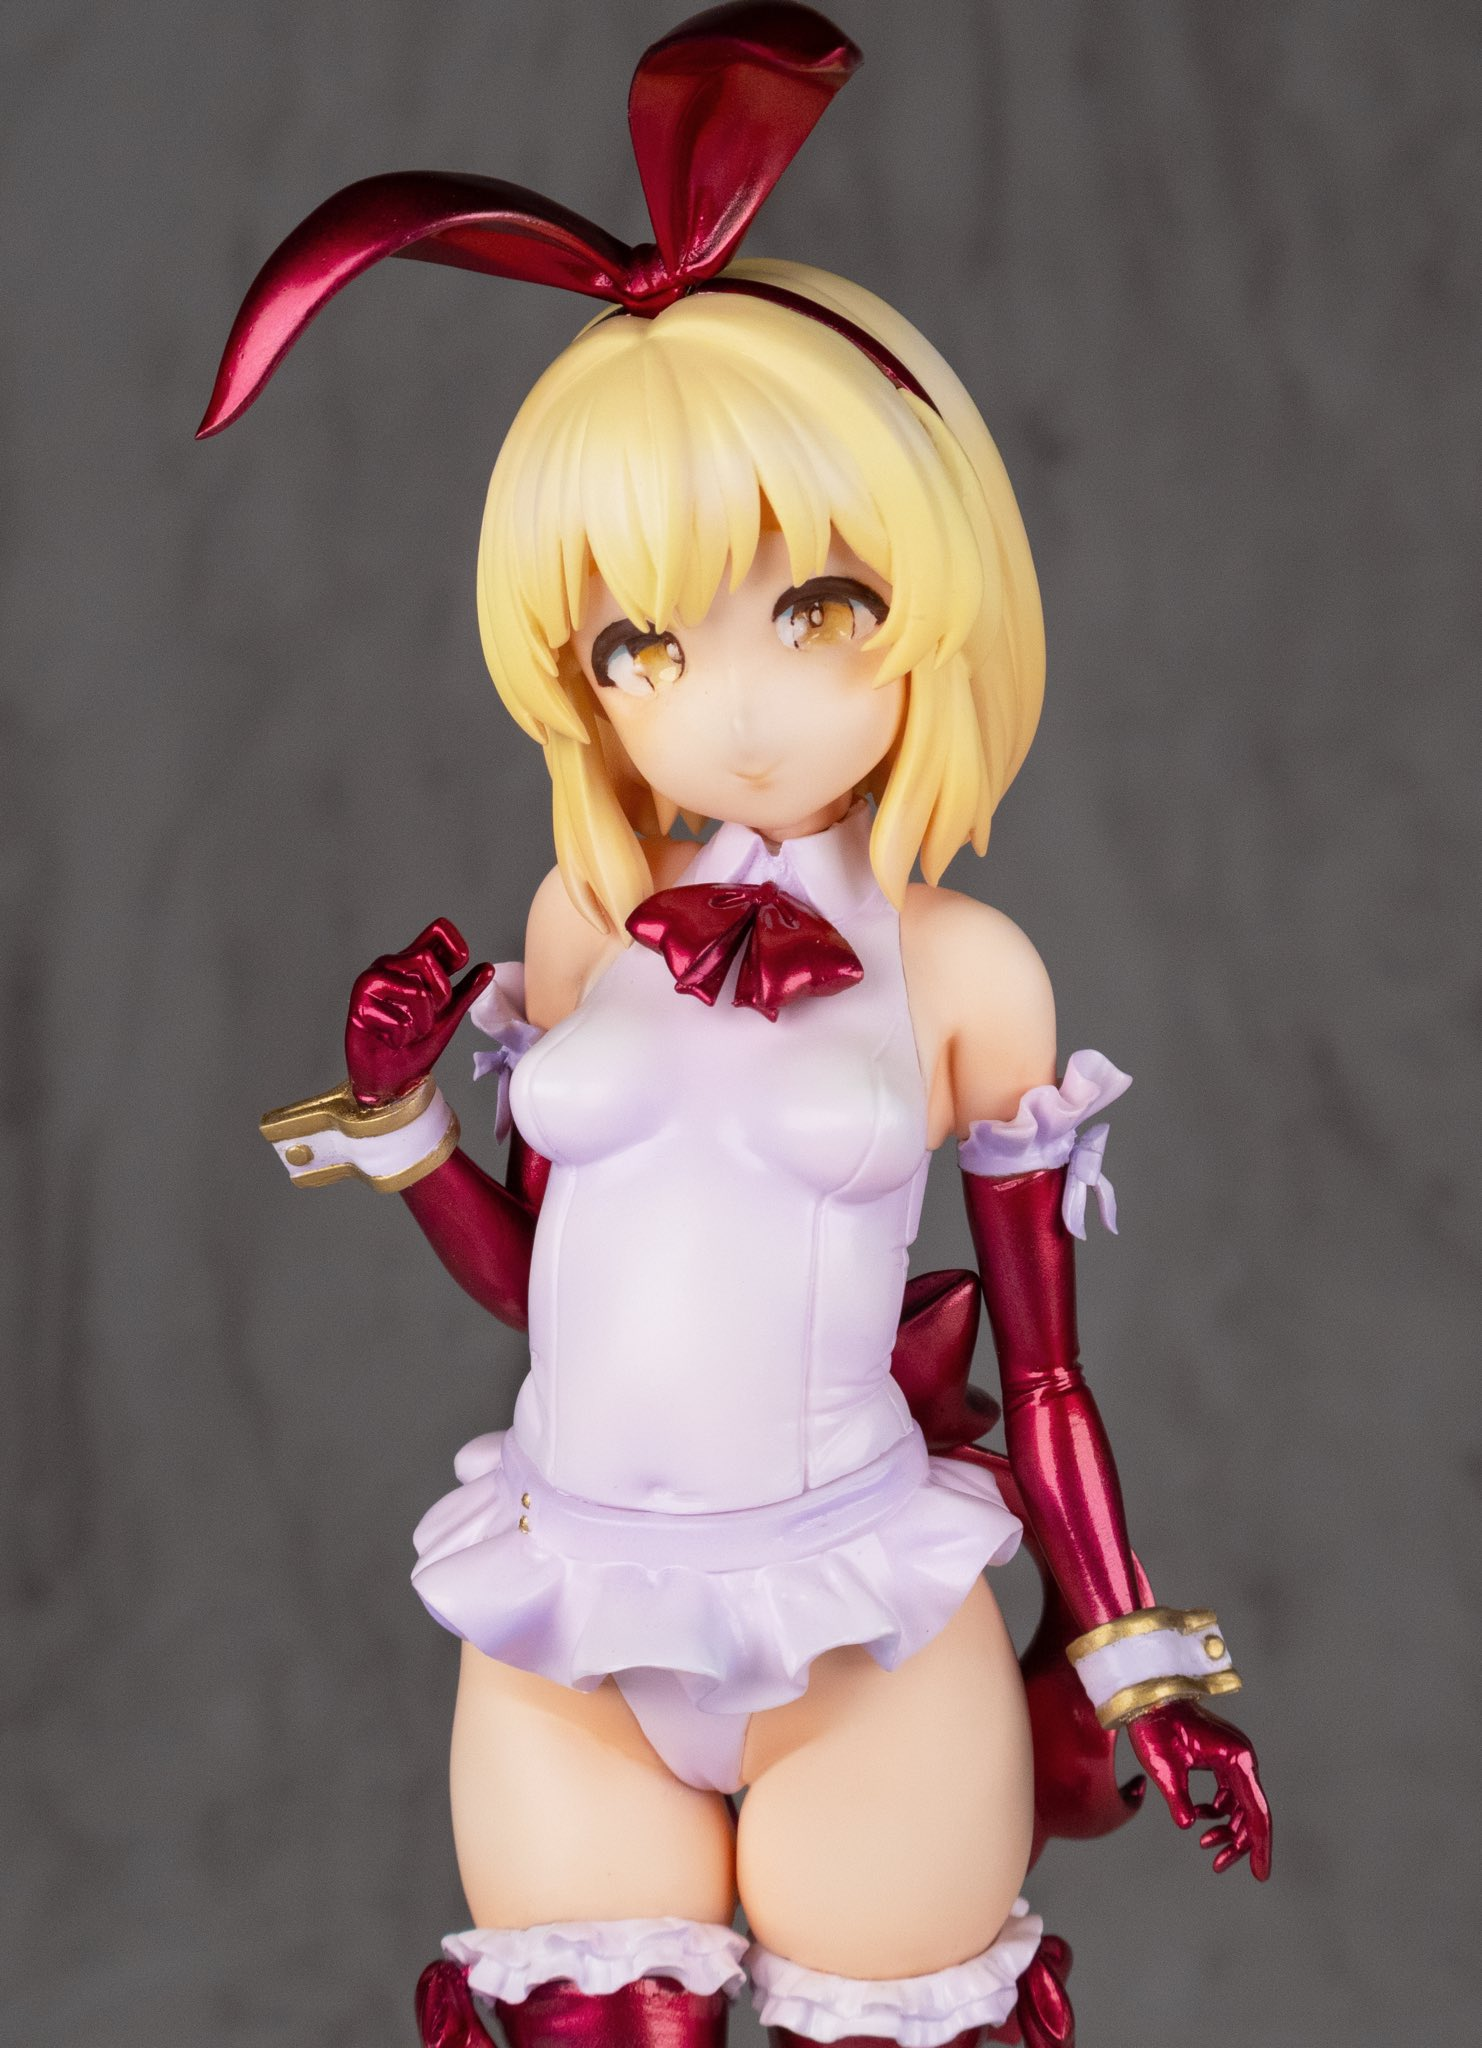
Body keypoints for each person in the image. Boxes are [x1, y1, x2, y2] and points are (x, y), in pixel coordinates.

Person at [204, 10, 1271, 2047]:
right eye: (643, 641)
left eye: (819, 609)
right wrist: (409, 1123)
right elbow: (548, 1286)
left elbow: (1046, 1367)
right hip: (566, 1610)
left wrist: (1137, 1660)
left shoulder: (970, 971)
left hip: (860, 1627)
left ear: (932, 596)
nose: (738, 704)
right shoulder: (577, 920)